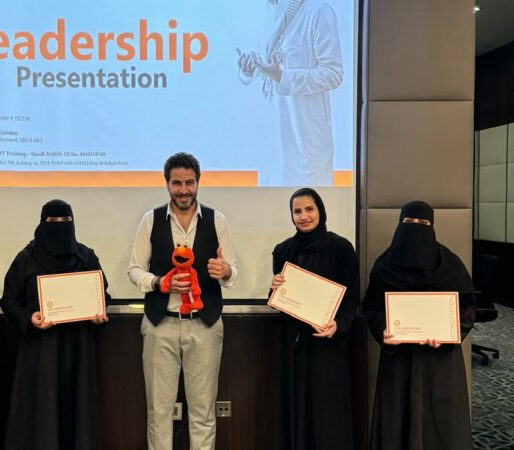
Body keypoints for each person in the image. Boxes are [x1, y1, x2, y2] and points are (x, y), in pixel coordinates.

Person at [128, 152, 238, 450]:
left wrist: (226, 271)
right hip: (159, 325)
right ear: (167, 184)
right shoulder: (150, 220)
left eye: (189, 182)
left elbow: (232, 270)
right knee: (159, 414)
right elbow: (134, 269)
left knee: (203, 413)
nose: (184, 190)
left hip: (205, 326)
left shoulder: (217, 220)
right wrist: (159, 282)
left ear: (198, 183)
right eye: (177, 183)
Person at [363, 201, 475, 450]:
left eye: (423, 223)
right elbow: (372, 307)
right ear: (399, 225)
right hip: (399, 361)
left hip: (440, 362)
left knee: (442, 427)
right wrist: (383, 332)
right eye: (409, 222)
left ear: (432, 227)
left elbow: (468, 307)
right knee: (396, 423)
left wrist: (450, 333)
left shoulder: (450, 264)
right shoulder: (385, 265)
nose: (415, 228)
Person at [0, 199, 109, 450]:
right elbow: (9, 300)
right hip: (40, 350)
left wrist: (98, 314)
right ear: (42, 223)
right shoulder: (26, 258)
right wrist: (29, 317)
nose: (59, 225)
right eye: (52, 221)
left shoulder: (86, 257)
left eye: (65, 221)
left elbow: (102, 296)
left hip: (78, 348)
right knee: (42, 411)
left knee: (77, 410)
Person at [270, 187, 358, 449]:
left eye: (309, 209)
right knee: (294, 407)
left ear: (320, 210)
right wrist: (275, 288)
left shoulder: (341, 248)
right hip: (292, 345)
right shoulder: (283, 250)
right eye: (297, 211)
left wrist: (338, 325)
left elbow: (352, 296)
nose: (304, 216)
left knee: (327, 413)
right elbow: (281, 299)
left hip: (327, 343)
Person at [237, 0, 343, 186]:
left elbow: (333, 74)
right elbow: (262, 69)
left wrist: (282, 76)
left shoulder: (319, 12)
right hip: (271, 141)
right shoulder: (266, 14)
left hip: (305, 141)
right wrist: (248, 70)